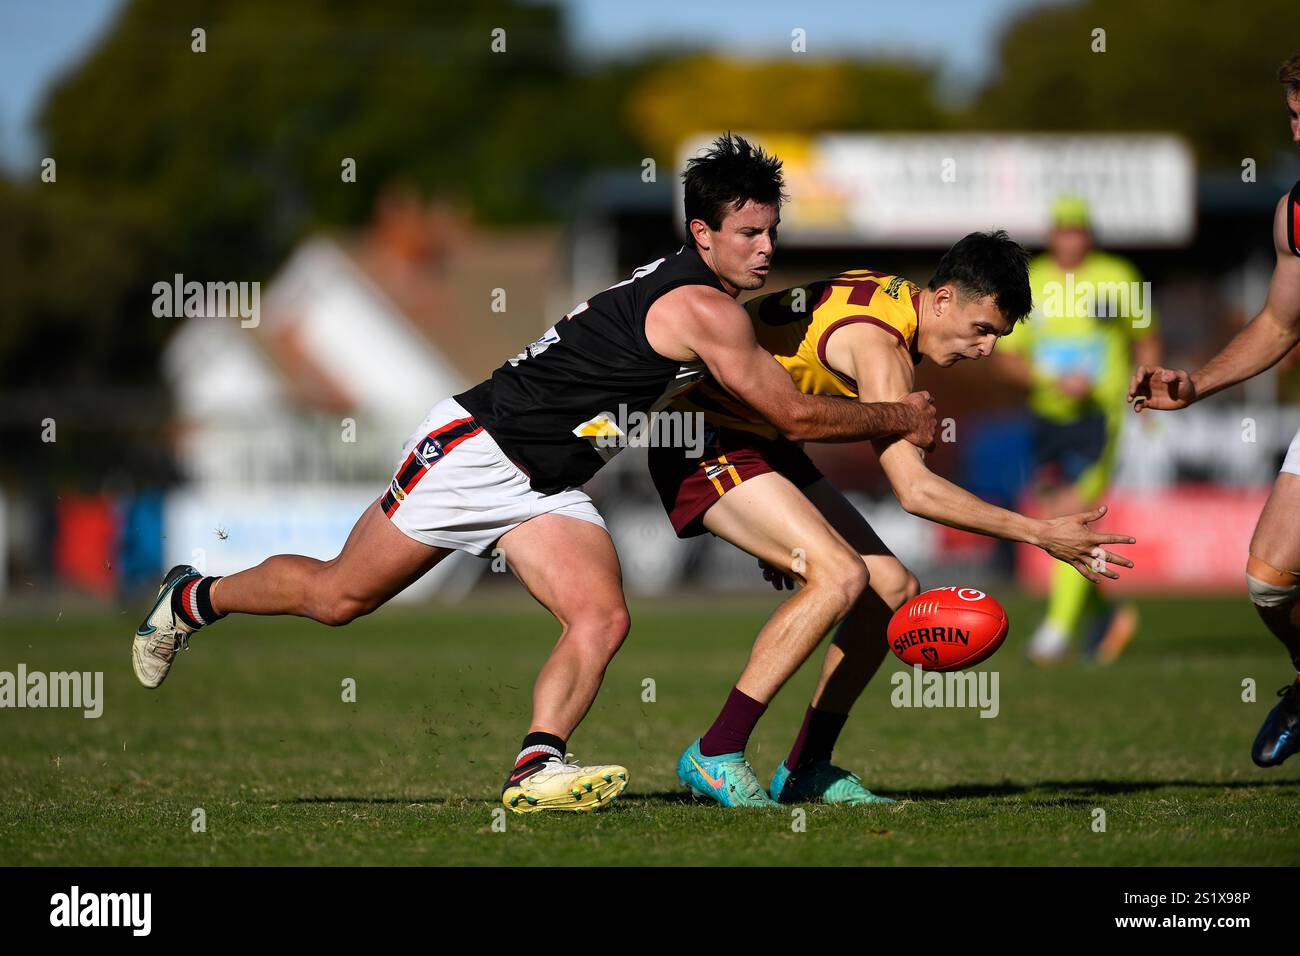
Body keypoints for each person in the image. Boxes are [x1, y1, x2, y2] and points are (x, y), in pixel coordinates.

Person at [132, 133, 939, 813]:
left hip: (546, 484)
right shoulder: (705, 309)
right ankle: (194, 597)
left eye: (771, 233)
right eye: (748, 234)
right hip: (477, 450)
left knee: (603, 617)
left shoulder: (702, 300)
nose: (766, 250)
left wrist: (771, 533)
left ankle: (537, 765)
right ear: (702, 234)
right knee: (339, 597)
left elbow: (741, 418)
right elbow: (793, 414)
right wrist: (900, 416)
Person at [648, 231, 1136, 808]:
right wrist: (1040, 532)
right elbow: (916, 491)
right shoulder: (885, 349)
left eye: (997, 338)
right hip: (701, 437)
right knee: (840, 576)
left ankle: (807, 767)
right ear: (946, 298)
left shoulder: (896, 299)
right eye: (983, 329)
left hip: (759, 439)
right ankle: (717, 750)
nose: (985, 348)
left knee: (894, 586)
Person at [1129, 54, 1300, 768]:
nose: (1297, 129)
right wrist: (1195, 384)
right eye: (1292, 114)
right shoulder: (1295, 210)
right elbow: (1282, 323)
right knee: (1269, 580)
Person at [995, 194, 1160, 665]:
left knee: (1073, 511)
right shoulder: (1032, 281)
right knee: (1053, 524)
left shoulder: (1119, 275)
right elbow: (1008, 359)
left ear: (1089, 234)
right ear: (1052, 235)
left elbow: (1146, 334)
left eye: (1078, 230)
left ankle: (1056, 631)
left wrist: (1145, 388)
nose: (1071, 239)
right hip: (1047, 419)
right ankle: (1105, 615)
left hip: (1098, 419)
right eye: (1062, 230)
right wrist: (1051, 380)